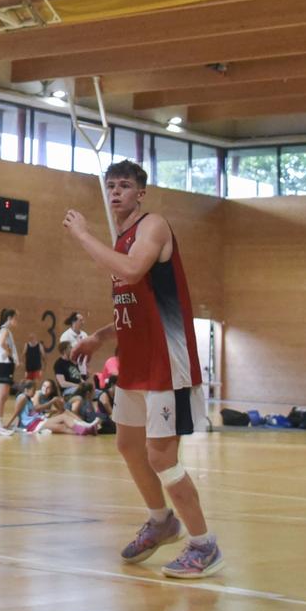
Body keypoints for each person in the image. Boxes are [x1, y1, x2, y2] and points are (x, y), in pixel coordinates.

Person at [61, 160, 220, 579]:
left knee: (161, 456)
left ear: (141, 193)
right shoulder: (123, 239)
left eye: (125, 186)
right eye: (111, 185)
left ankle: (204, 545)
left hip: (167, 361)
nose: (115, 192)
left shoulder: (153, 227)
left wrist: (82, 235)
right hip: (135, 359)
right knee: (128, 446)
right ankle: (161, 521)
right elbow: (138, 305)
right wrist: (100, 335)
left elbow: (131, 270)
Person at [0, 309, 23, 436]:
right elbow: (2, 343)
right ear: (10, 318)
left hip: (6, 365)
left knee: (4, 396)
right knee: (2, 395)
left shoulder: (6, 331)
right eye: (16, 318)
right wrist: (9, 352)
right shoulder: (5, 330)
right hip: (4, 365)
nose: (17, 321)